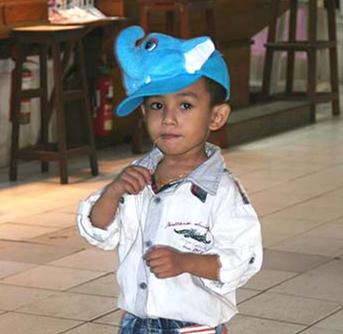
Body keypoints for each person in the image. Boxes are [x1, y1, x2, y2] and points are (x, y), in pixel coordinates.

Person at [77, 25, 263, 334]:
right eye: (156, 105)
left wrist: (186, 262)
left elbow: (244, 259)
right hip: (135, 322)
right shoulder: (136, 177)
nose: (168, 118)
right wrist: (113, 192)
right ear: (143, 113)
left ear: (216, 116)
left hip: (193, 327)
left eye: (185, 105)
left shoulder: (223, 192)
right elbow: (98, 231)